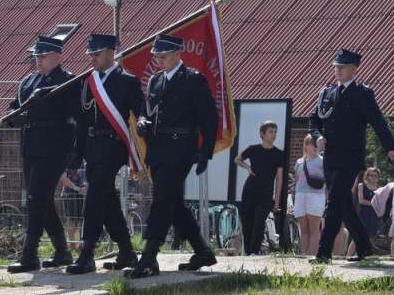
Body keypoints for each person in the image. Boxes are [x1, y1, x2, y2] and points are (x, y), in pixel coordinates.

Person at [131, 32, 219, 278]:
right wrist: (142, 121)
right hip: (158, 148)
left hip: (181, 148)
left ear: (178, 54)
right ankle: (203, 252)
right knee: (173, 204)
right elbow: (145, 109)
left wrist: (205, 152)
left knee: (161, 200)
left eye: (164, 56)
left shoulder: (193, 79)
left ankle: (149, 256)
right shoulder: (155, 81)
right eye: (157, 56)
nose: (159, 61)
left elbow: (209, 118)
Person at [308, 48, 394, 263]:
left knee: (333, 203)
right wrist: (317, 136)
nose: (337, 71)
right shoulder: (327, 93)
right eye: (336, 67)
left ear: (353, 69)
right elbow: (314, 120)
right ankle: (365, 247)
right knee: (345, 205)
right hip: (331, 157)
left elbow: (378, 121)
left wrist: (391, 147)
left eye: (342, 67)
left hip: (349, 158)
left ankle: (323, 252)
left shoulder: (362, 93)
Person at [65, 33, 144, 274]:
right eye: (90, 55)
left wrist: (143, 121)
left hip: (113, 146)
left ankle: (87, 253)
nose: (93, 59)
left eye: (97, 54)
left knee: (94, 197)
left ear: (111, 52)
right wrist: (77, 153)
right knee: (108, 201)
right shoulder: (87, 82)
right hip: (92, 146)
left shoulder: (127, 80)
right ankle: (127, 251)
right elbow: (81, 120)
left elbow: (140, 110)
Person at [5, 36, 80, 273]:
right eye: (36, 56)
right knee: (42, 199)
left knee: (36, 197)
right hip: (31, 144)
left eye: (43, 56)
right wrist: (14, 117)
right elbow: (13, 106)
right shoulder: (28, 80)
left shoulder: (66, 80)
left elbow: (74, 112)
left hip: (55, 145)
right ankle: (62, 251)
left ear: (57, 57)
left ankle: (30, 254)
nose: (38, 60)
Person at [234, 121, 285, 255]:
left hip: (266, 194)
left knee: (259, 222)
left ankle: (254, 252)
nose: (274, 134)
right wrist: (248, 167)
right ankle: (248, 252)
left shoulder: (279, 154)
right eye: (270, 131)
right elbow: (237, 159)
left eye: (275, 132)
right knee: (247, 223)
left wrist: (277, 200)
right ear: (262, 133)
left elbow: (279, 178)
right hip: (250, 191)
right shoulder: (253, 149)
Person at [293, 134, 326, 256]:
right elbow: (297, 179)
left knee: (314, 229)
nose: (316, 146)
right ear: (306, 146)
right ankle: (303, 255)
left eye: (317, 144)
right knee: (304, 229)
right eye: (313, 143)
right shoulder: (299, 162)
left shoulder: (323, 161)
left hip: (316, 195)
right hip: (301, 195)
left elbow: (326, 180)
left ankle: (313, 255)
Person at [348, 167, 381, 256]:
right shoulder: (361, 185)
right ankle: (348, 255)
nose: (374, 177)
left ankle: (364, 255)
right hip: (363, 212)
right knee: (358, 236)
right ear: (367, 176)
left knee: (371, 236)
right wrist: (374, 204)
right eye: (372, 175)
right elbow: (361, 200)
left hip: (374, 214)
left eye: (376, 176)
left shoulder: (379, 189)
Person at [59, 165, 86, 246]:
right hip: (70, 194)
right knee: (72, 219)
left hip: (82, 194)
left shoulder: (84, 161)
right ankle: (72, 243)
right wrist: (76, 188)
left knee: (82, 219)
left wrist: (85, 187)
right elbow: (63, 178)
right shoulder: (67, 161)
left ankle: (81, 243)